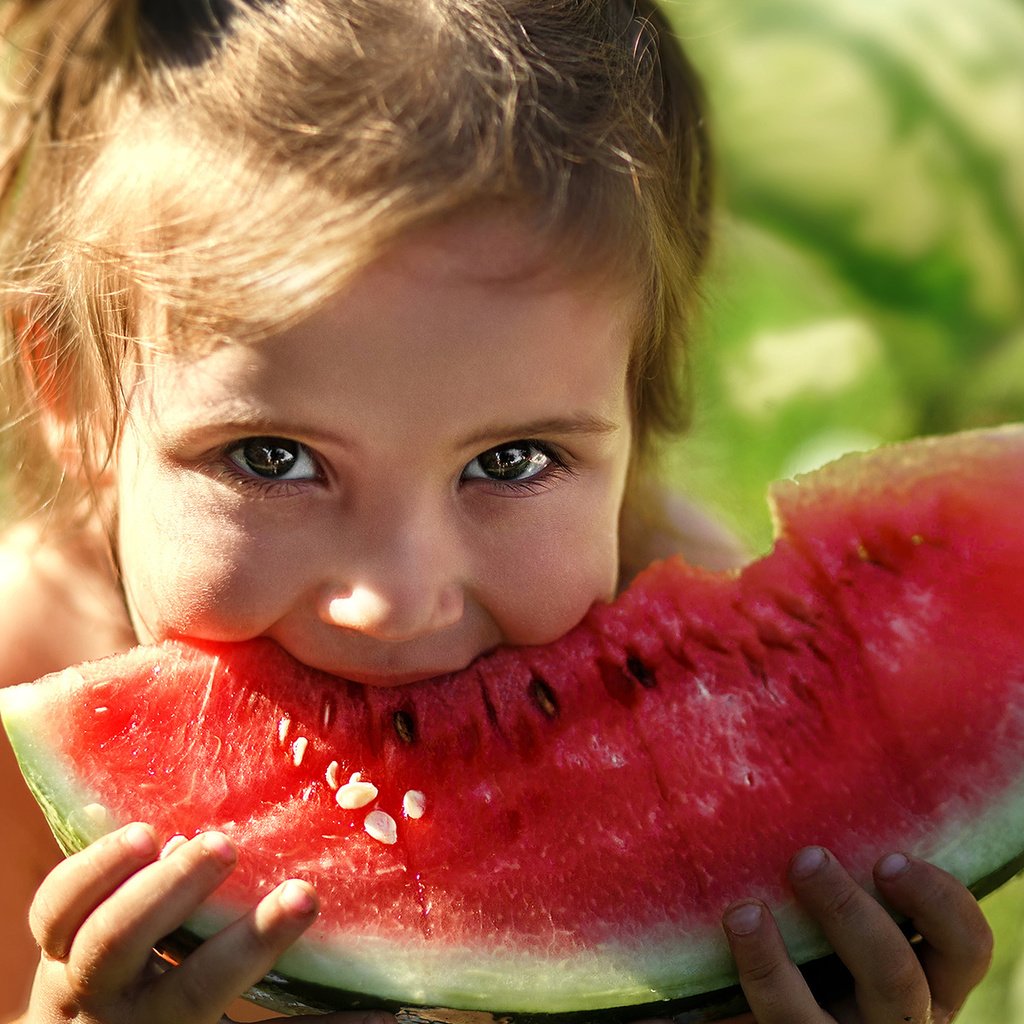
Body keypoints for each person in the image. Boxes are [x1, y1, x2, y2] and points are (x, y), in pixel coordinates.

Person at [0, 1, 993, 1023]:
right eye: (272, 457)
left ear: (635, 408)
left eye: (511, 461)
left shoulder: (689, 653)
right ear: (71, 392)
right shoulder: (17, 668)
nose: (395, 599)